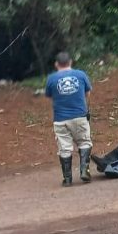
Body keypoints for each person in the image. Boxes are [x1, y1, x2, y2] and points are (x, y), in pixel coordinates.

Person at [45, 52, 93, 186]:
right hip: (80, 116)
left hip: (60, 119)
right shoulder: (81, 75)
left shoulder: (51, 79)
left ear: (56, 64)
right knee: (84, 142)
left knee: (64, 148)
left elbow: (50, 96)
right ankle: (84, 170)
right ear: (70, 62)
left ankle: (67, 179)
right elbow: (88, 93)